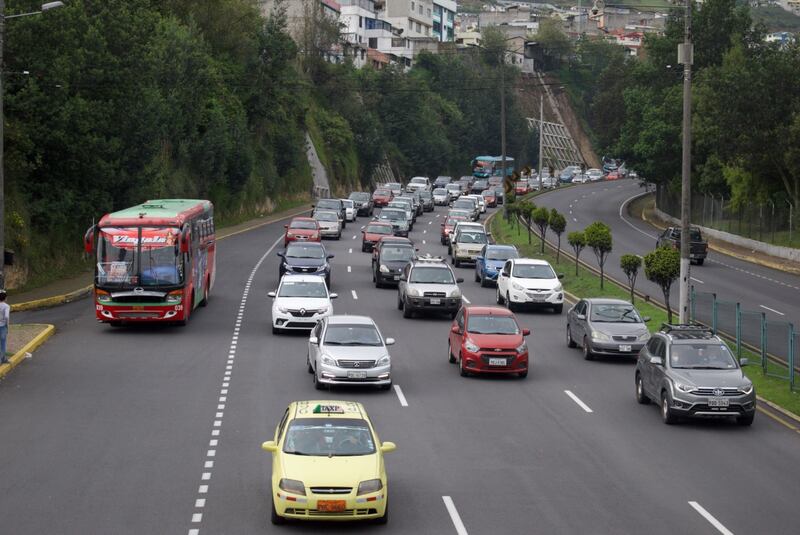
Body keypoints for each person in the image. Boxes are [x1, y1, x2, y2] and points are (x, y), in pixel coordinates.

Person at [0, 290, 9, 364]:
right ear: (5, 298)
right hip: (3, 326)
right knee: (3, 343)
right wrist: (7, 325)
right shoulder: (6, 306)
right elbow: (6, 316)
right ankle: (3, 359)